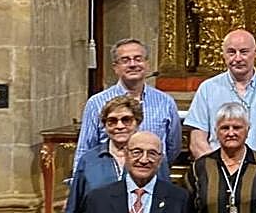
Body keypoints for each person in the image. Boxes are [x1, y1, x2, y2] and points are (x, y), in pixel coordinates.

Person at [186, 29, 256, 164]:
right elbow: (197, 140)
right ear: (223, 54)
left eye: (244, 52)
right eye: (231, 52)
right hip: (217, 177)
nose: (238, 58)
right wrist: (216, 171)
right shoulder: (207, 89)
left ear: (255, 53)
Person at [73, 38, 182, 167]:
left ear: (147, 64)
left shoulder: (165, 102)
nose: (132, 64)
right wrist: (78, 181)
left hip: (154, 177)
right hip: (110, 179)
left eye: (138, 59)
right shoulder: (97, 103)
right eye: (125, 60)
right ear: (115, 67)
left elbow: (173, 147)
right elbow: (85, 148)